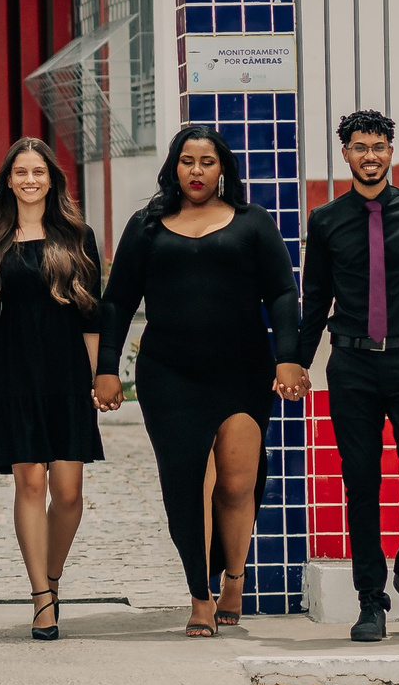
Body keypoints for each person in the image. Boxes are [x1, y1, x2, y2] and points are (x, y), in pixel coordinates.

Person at [94, 125, 306, 638]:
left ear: (223, 170)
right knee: (184, 487)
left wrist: (287, 358)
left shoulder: (253, 223)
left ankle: (234, 578)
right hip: (169, 375)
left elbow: (281, 294)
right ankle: (200, 595)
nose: (196, 171)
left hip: (242, 371)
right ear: (174, 167)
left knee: (237, 483)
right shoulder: (146, 226)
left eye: (207, 162)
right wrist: (105, 368)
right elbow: (119, 300)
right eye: (187, 161)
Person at [299, 109, 399, 644]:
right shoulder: (325, 221)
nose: (370, 156)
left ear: (392, 152)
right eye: (359, 147)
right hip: (350, 366)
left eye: (379, 147)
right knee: (361, 482)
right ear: (344, 153)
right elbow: (316, 300)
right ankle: (371, 600)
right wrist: (298, 361)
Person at [0, 136, 105, 641]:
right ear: (8, 181)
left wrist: (99, 376)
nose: (29, 180)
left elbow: (93, 315)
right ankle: (41, 599)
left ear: (52, 179)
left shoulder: (79, 236)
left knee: (68, 492)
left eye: (38, 172)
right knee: (30, 483)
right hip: (14, 375)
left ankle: (52, 574)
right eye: (20, 172)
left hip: (67, 373)